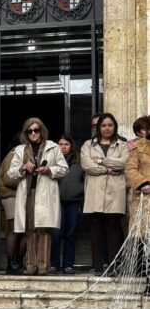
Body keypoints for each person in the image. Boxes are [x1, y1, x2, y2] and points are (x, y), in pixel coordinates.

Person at [8, 118, 68, 275]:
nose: (33, 133)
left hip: (45, 192)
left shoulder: (53, 147)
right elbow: (10, 173)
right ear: (25, 133)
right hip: (27, 192)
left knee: (43, 229)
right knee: (29, 229)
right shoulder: (20, 150)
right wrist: (22, 168)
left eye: (36, 130)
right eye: (30, 131)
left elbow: (64, 169)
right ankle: (30, 265)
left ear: (42, 131)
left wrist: (49, 169)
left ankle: (43, 266)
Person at [80, 112, 129, 276]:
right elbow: (87, 165)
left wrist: (101, 161)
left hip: (115, 192)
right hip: (94, 192)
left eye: (110, 125)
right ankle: (98, 266)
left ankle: (114, 266)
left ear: (114, 127)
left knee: (113, 227)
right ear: (98, 128)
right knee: (95, 227)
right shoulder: (88, 145)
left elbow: (124, 163)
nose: (107, 128)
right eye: (103, 125)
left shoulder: (122, 145)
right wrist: (108, 169)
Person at [49, 135, 84, 274]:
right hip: (56, 201)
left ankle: (68, 264)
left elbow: (85, 179)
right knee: (56, 234)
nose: (63, 147)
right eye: (61, 144)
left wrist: (79, 191)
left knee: (71, 233)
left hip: (74, 202)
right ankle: (54, 264)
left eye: (66, 144)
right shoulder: (53, 161)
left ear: (71, 146)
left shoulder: (79, 161)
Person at [125, 116, 150, 285]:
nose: (141, 133)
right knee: (147, 240)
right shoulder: (138, 147)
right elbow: (130, 168)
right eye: (138, 130)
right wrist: (143, 183)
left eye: (142, 129)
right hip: (145, 199)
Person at [0, 136, 24, 274]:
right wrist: (25, 180)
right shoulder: (13, 155)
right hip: (11, 195)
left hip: (17, 196)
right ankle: (12, 263)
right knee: (16, 229)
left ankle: (17, 262)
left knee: (22, 230)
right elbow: (8, 179)